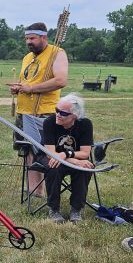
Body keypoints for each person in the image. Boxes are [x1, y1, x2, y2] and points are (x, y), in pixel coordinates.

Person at [8, 22, 68, 197]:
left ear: (44, 37)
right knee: (27, 150)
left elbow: (60, 81)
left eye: (32, 38)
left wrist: (31, 88)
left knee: (43, 153)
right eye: (27, 38)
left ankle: (46, 190)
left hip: (45, 112)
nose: (29, 42)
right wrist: (19, 88)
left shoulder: (57, 53)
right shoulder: (27, 57)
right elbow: (27, 82)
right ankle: (34, 190)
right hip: (24, 111)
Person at [41, 94, 94, 223]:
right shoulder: (49, 122)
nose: (58, 115)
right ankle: (54, 209)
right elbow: (51, 154)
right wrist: (75, 160)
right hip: (51, 158)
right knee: (54, 167)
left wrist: (65, 154)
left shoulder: (85, 124)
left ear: (74, 116)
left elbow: (85, 153)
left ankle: (76, 209)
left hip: (68, 158)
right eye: (56, 110)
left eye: (63, 113)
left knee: (84, 169)